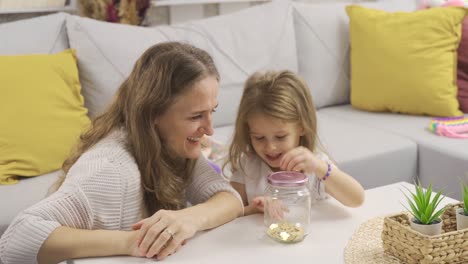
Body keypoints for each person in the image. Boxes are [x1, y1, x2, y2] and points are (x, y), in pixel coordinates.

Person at [0, 42, 243, 264]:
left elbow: (229, 198)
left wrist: (189, 218)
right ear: (153, 113)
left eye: (213, 111)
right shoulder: (110, 170)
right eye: (196, 116)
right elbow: (15, 239)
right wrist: (130, 242)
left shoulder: (173, 145)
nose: (209, 129)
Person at [225, 70, 364, 216]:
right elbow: (229, 213)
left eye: (280, 137)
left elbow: (356, 199)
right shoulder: (248, 166)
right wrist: (252, 209)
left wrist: (320, 167)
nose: (270, 147)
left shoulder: (313, 166)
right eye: (259, 137)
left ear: (301, 127)